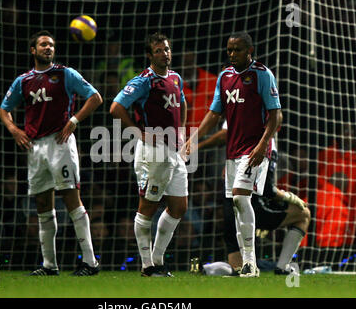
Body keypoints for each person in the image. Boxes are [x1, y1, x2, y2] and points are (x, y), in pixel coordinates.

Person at [0, 30, 103, 276]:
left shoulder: (65, 73)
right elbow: (4, 109)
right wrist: (15, 130)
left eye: (52, 45)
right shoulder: (23, 81)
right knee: (43, 205)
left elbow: (95, 97)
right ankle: (49, 265)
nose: (49, 48)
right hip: (35, 148)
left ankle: (90, 262)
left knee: (71, 200)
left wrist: (74, 121)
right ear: (33, 50)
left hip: (61, 142)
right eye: (44, 44)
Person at [184, 32, 282, 277]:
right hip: (232, 152)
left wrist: (262, 146)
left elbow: (275, 115)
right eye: (229, 49)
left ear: (250, 50)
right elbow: (214, 113)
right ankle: (246, 263)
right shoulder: (225, 77)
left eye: (237, 49)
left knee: (240, 198)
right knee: (237, 206)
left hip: (254, 149)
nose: (232, 54)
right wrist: (194, 139)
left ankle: (250, 262)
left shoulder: (262, 74)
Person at [110, 32, 188, 277]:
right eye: (158, 51)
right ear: (149, 55)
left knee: (179, 207)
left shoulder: (176, 78)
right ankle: (147, 265)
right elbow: (115, 107)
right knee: (148, 207)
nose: (164, 54)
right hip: (153, 153)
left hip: (174, 151)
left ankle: (158, 260)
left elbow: (182, 103)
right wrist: (138, 132)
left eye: (166, 49)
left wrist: (183, 132)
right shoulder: (143, 80)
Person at [192, 121, 310, 276]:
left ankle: (207, 269)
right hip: (252, 211)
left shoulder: (237, 145)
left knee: (238, 271)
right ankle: (283, 268)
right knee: (304, 214)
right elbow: (267, 189)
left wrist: (196, 144)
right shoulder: (264, 145)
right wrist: (290, 197)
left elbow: (224, 134)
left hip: (229, 211)